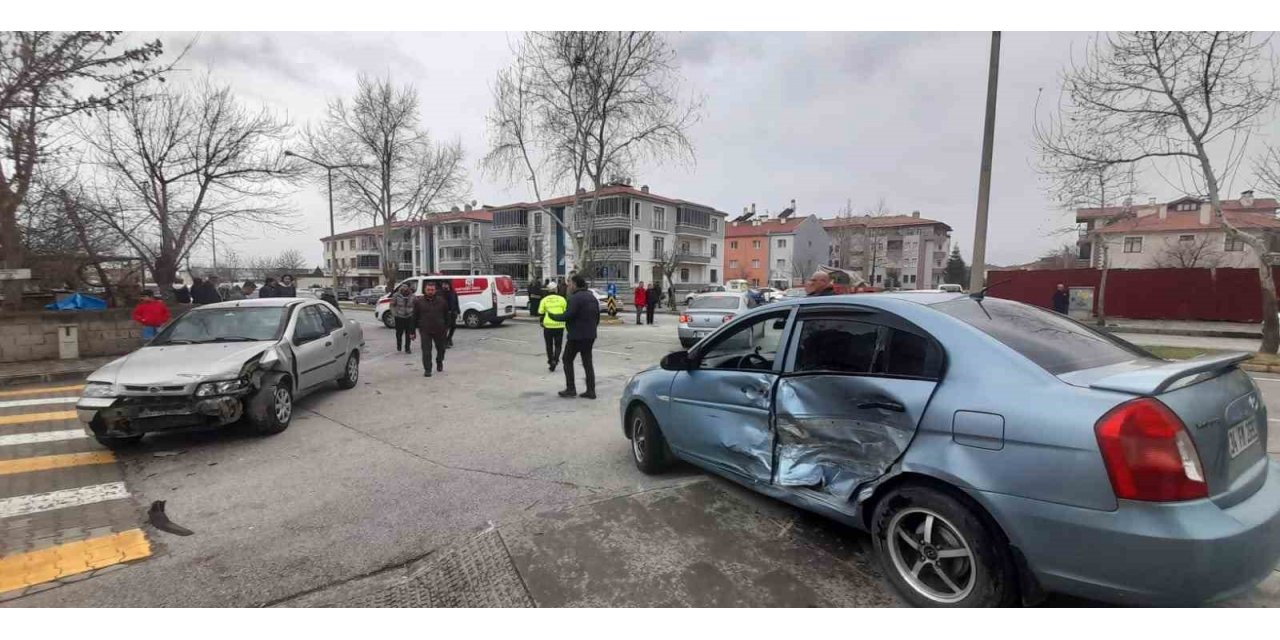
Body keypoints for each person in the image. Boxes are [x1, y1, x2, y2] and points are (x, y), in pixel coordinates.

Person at [548, 275, 600, 399]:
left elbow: (568, 315)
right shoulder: (592, 297)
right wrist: (592, 329)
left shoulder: (574, 298)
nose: (569, 285)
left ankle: (571, 389)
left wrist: (552, 316)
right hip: (590, 335)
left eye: (570, 283)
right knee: (587, 362)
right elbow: (597, 317)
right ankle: (591, 390)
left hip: (576, 336)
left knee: (567, 359)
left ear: (575, 284)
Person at [413, 282, 451, 377]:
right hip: (425, 330)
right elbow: (414, 317)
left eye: (432, 290)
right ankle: (428, 369)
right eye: (428, 290)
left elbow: (447, 315)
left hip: (440, 329)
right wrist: (412, 331)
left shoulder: (442, 301)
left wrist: (446, 327)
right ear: (425, 290)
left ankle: (439, 360)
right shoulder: (419, 302)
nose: (430, 292)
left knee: (441, 349)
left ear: (435, 290)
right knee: (426, 351)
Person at [538, 283, 568, 372]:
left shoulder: (544, 300)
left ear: (548, 290)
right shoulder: (562, 299)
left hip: (548, 325)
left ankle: (551, 361)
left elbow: (541, 312)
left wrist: (541, 321)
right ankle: (556, 359)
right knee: (558, 345)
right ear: (556, 290)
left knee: (549, 345)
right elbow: (566, 312)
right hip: (559, 325)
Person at [391, 282, 416, 354]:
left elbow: (416, 305)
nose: (404, 288)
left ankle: (407, 348)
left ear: (409, 288)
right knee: (399, 333)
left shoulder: (412, 296)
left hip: (409, 316)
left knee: (408, 333)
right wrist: (394, 314)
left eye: (406, 287)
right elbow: (392, 305)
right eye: (403, 286)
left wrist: (413, 314)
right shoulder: (396, 295)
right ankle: (399, 345)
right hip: (399, 316)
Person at [440, 280, 460, 348]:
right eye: (443, 284)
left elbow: (456, 302)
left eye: (445, 284)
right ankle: (445, 342)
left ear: (449, 285)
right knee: (445, 328)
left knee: (453, 327)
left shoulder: (453, 292)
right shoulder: (440, 293)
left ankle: (449, 338)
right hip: (445, 313)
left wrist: (458, 311)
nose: (444, 286)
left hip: (453, 312)